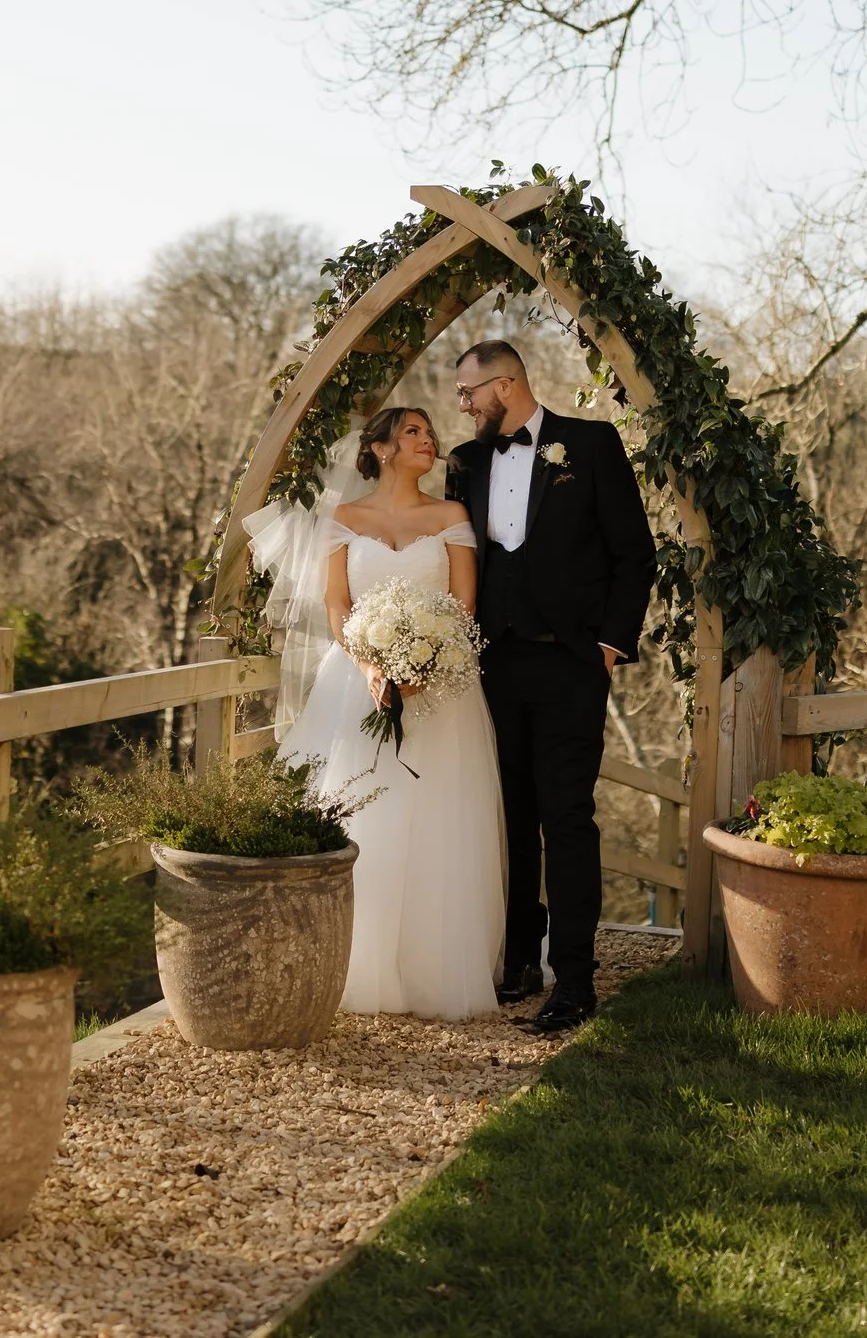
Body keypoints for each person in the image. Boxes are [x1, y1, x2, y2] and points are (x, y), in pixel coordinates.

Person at [263, 406, 506, 1019]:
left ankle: (434, 969)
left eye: (430, 432)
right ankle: (354, 965)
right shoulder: (345, 518)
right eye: (414, 433)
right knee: (358, 811)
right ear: (381, 448)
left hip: (441, 689)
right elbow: (338, 605)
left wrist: (424, 667)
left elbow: (463, 605)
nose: (430, 441)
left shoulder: (450, 516)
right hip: (356, 684)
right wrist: (373, 666)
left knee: (438, 821)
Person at [444, 339, 656, 1033]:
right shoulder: (466, 462)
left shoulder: (588, 446)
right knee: (507, 816)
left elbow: (634, 553)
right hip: (492, 666)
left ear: (506, 387)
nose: (463, 405)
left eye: (469, 392)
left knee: (566, 819)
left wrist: (607, 645)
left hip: (570, 665)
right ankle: (518, 962)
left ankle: (575, 981)